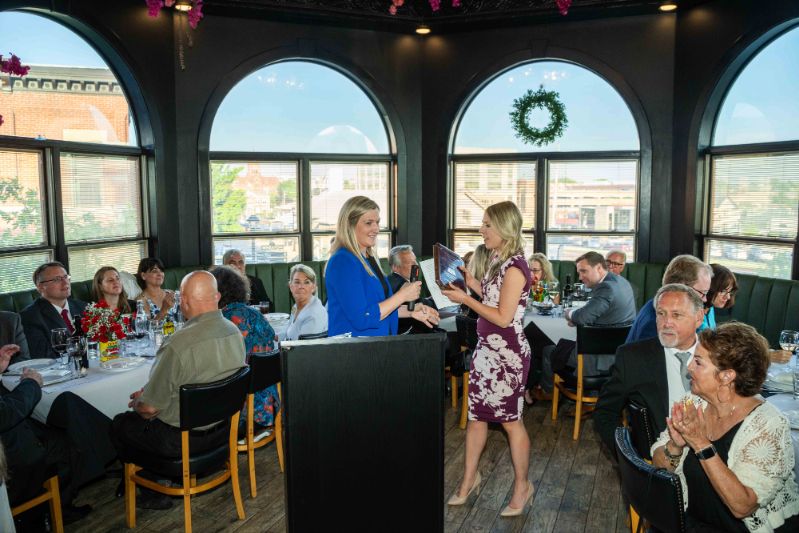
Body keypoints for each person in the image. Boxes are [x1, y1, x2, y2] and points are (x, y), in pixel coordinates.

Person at [111, 271, 246, 510]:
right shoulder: (234, 331)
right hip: (225, 431)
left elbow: (150, 409)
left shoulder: (178, 343)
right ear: (216, 297)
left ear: (182, 301)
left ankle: (153, 488)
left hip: (182, 441)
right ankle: (160, 477)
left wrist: (140, 401)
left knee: (121, 423)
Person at [651, 322, 799, 532]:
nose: (689, 367)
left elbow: (743, 506)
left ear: (727, 376)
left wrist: (701, 444)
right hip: (693, 522)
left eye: (698, 362)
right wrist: (674, 446)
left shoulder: (768, 424)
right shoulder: (693, 402)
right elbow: (659, 469)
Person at [440, 201, 534, 517]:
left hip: (507, 357)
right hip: (486, 352)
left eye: (487, 224)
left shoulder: (516, 267)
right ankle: (470, 479)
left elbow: (504, 317)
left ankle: (522, 486)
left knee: (510, 422)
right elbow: (494, 298)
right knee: (477, 417)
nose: (482, 230)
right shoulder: (497, 259)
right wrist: (472, 284)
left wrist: (465, 299)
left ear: (505, 227)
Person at [0, 343, 116, 525]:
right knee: (64, 441)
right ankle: (53, 510)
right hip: (8, 459)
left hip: (10, 435)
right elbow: (6, 413)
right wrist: (31, 383)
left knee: (66, 413)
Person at [594, 284, 706, 454]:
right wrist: (628, 457)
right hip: (657, 457)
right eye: (661, 314)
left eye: (676, 315)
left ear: (699, 318)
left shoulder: (718, 357)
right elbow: (605, 413)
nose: (666, 323)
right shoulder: (633, 358)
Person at [325, 196, 438, 337]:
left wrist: (411, 311)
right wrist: (402, 295)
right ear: (350, 225)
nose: (376, 229)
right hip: (354, 347)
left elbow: (377, 310)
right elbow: (363, 317)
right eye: (368, 223)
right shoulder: (343, 261)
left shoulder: (368, 258)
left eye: (377, 222)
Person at [210, 266, 280, 440]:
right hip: (270, 404)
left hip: (243, 414)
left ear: (216, 293)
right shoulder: (255, 314)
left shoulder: (223, 321)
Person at [626, 254, 712, 343]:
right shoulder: (656, 324)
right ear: (682, 287)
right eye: (703, 293)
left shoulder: (655, 305)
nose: (705, 299)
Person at [20, 262, 86, 359]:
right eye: (57, 279)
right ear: (41, 286)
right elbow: (43, 356)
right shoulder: (30, 317)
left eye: (66, 277)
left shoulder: (83, 306)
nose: (65, 282)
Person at [388, 244, 439, 335]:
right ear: (395, 267)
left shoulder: (390, 280)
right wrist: (439, 298)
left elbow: (417, 302)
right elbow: (423, 306)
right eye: (411, 263)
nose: (416, 265)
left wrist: (429, 299)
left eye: (415, 260)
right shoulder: (403, 285)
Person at [284, 264, 327, 341]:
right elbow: (288, 332)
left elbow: (304, 347)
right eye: (297, 282)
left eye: (306, 282)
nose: (301, 286)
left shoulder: (313, 315)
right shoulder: (296, 307)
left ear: (313, 287)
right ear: (291, 286)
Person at [703, 263, 738, 330]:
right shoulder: (692, 314)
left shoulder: (710, 307)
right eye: (722, 291)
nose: (728, 297)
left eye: (730, 291)